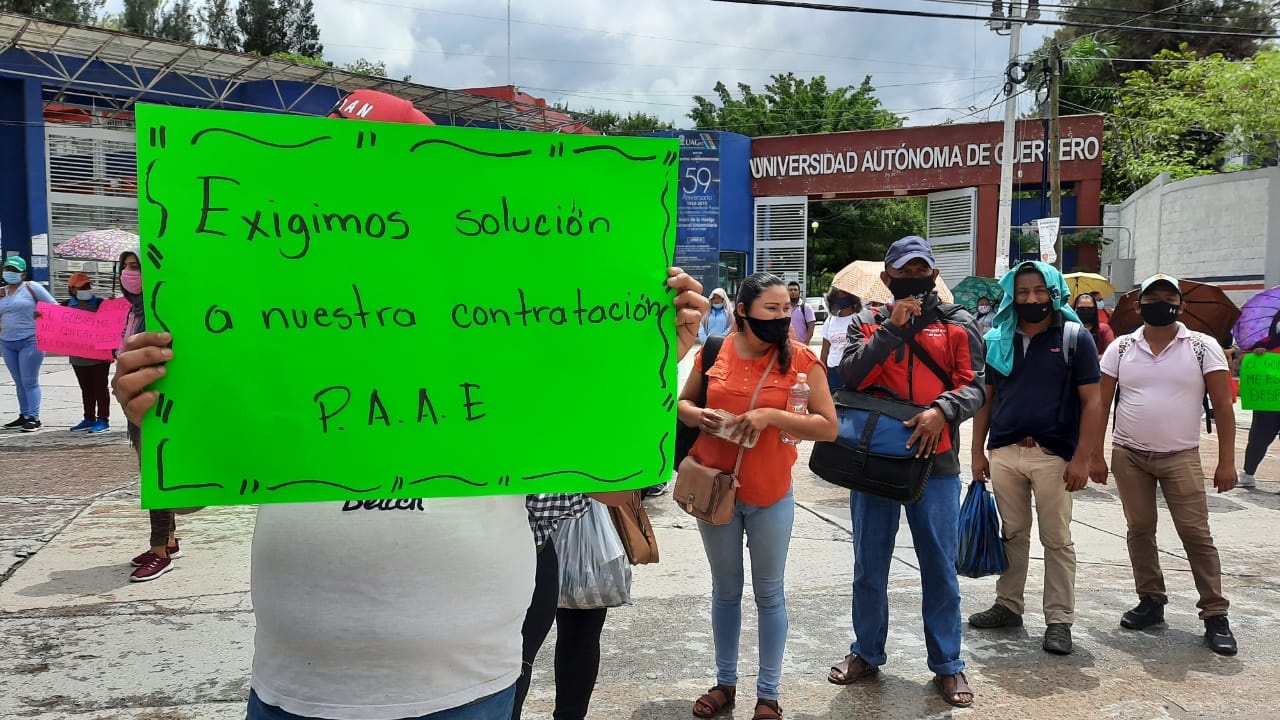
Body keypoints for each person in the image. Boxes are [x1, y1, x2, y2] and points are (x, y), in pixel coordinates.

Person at [112, 267, 709, 720]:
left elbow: (615, 488)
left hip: (468, 685)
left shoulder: (510, 340)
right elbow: (184, 498)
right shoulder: (282, 330)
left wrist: (643, 363)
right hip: (296, 685)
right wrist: (149, 418)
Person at [830, 237, 986, 708]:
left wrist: (942, 411)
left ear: (934, 275)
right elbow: (849, 377)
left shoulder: (959, 324)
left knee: (939, 566)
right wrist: (891, 330)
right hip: (873, 458)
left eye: (922, 270)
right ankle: (866, 651)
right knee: (869, 563)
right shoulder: (865, 322)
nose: (914, 278)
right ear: (888, 277)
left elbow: (976, 387)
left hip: (935, 461)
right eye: (904, 270)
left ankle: (948, 664)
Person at [679, 272, 838, 720]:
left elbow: (828, 426)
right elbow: (683, 404)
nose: (782, 317)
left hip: (771, 494)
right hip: (715, 491)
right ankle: (725, 683)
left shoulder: (802, 360)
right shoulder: (716, 350)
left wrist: (770, 415)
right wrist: (700, 416)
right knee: (725, 591)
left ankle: (768, 695)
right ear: (743, 311)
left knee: (769, 594)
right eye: (772, 309)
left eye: (787, 309)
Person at [1091, 274, 1238, 656]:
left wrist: (1226, 462)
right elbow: (1101, 404)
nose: (1160, 304)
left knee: (1195, 534)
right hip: (1129, 454)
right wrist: (1095, 453)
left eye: (1168, 298)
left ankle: (1215, 613)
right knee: (1140, 529)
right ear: (1138, 305)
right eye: (1151, 298)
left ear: (1181, 305)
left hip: (1181, 455)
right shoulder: (1122, 348)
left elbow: (1223, 406)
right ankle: (1151, 600)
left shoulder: (1203, 347)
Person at [969, 261, 1103, 656]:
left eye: (1040, 290)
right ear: (1012, 295)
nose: (1031, 298)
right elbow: (987, 400)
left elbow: (1093, 403)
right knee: (1012, 533)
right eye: (1023, 291)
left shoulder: (1075, 338)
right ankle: (1009, 605)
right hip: (1005, 452)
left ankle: (1059, 620)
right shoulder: (998, 339)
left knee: (1056, 539)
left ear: (1054, 293)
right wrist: (977, 451)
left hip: (1054, 456)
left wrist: (1082, 458)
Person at [115, 250, 183, 583]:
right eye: (127, 267)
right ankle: (168, 540)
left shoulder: (160, 311)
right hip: (135, 402)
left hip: (156, 404)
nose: (131, 273)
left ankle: (160, 553)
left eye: (137, 267)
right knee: (153, 472)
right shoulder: (134, 311)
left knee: (157, 476)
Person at [1, 256, 56, 432]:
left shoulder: (32, 287)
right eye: (8, 269)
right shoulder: (1, 292)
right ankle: (24, 414)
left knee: (29, 381)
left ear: (23, 273)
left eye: (15, 270)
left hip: (30, 341)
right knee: (18, 381)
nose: (10, 273)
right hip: (7, 342)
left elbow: (54, 307)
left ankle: (34, 417)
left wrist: (41, 313)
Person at [62, 272, 112, 433]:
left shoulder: (102, 304)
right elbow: (54, 323)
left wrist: (114, 305)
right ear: (72, 289)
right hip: (78, 357)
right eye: (81, 287)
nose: (86, 289)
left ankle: (103, 419)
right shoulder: (65, 306)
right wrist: (40, 316)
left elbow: (113, 324)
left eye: (88, 286)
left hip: (99, 356)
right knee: (86, 389)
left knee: (100, 389)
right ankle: (89, 418)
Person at [1239, 312, 1280, 489]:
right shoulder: (1264, 343)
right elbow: (1243, 360)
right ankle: (1248, 474)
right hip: (1267, 405)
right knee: (1258, 440)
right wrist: (1256, 354)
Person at [819, 289, 860, 393]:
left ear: (852, 297)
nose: (839, 298)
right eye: (836, 295)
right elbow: (825, 349)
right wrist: (821, 371)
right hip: (832, 370)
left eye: (843, 295)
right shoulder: (830, 320)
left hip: (851, 370)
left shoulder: (859, 319)